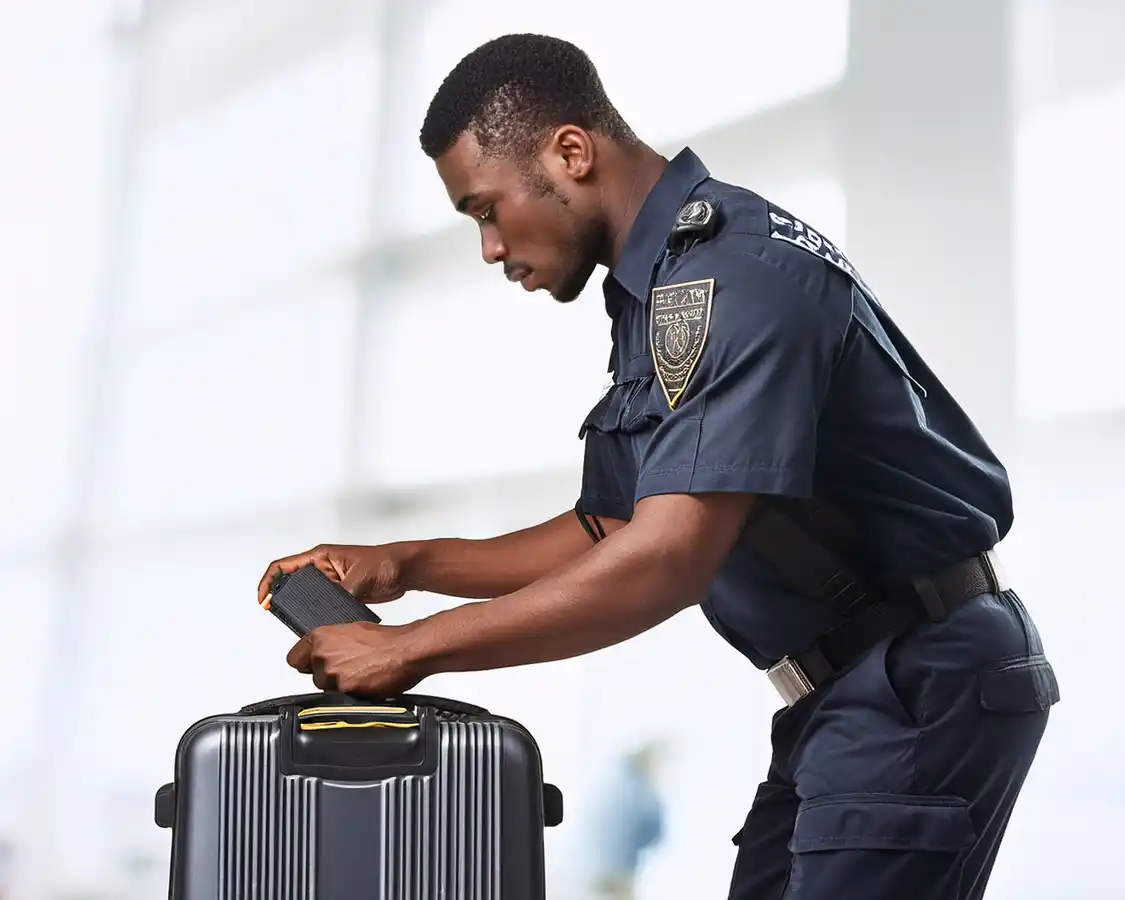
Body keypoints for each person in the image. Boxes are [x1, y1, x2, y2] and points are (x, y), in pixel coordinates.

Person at [258, 34, 1059, 899]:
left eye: (485, 210)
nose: (490, 248)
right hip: (848, 689)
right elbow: (608, 527)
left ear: (569, 152)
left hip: (919, 679)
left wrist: (411, 650)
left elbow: (668, 557)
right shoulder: (660, 286)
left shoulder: (732, 275)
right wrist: (404, 567)